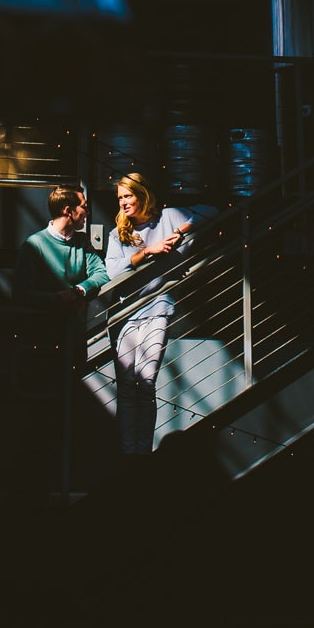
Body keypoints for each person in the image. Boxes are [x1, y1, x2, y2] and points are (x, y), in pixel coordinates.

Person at [104, 172, 193, 457]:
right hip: (125, 315)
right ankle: (127, 451)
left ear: (141, 194)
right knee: (127, 386)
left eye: (127, 196)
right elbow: (112, 273)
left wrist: (179, 233)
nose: (123, 203)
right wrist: (147, 253)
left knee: (146, 380)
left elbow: (209, 213)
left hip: (157, 309)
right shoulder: (118, 233)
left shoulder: (167, 218)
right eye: (119, 198)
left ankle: (142, 451)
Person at [12, 186, 107, 312]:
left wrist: (78, 290)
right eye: (84, 207)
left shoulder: (82, 241)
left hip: (76, 324)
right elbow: (21, 293)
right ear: (68, 211)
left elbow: (102, 274)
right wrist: (56, 299)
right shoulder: (34, 245)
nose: (88, 212)